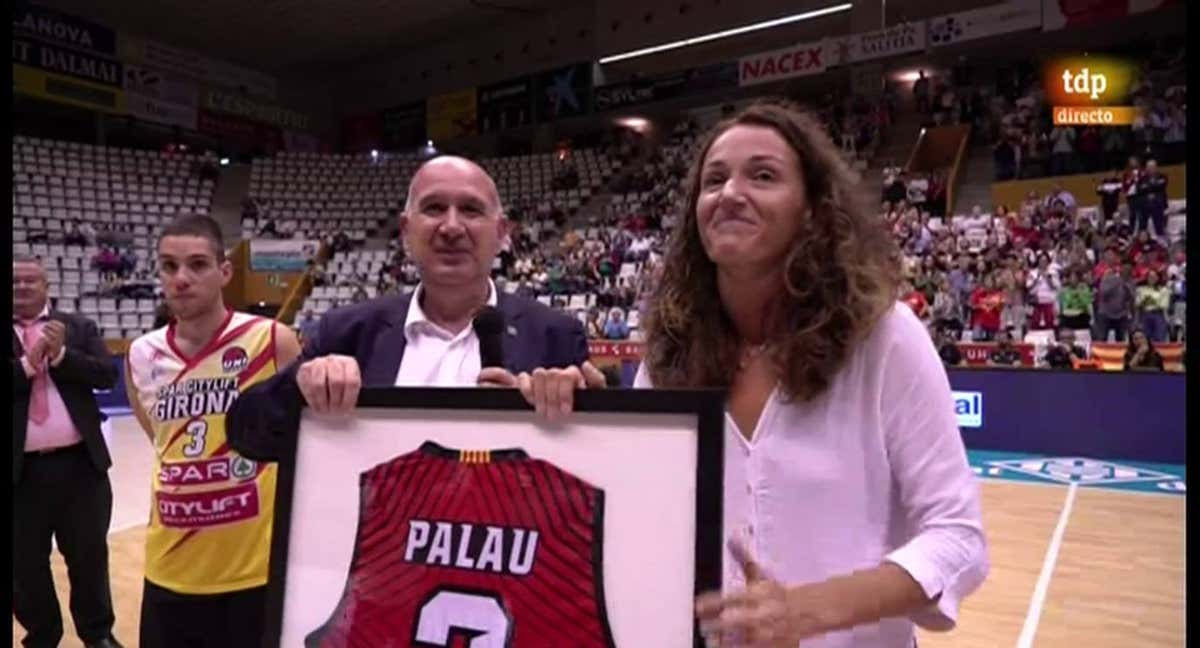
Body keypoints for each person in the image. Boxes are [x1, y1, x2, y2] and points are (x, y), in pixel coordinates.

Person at [634, 103, 987, 646]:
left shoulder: (885, 337)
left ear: (812, 210)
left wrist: (808, 610)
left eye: (763, 175)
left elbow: (959, 541)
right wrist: (569, 421)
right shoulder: (667, 353)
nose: (730, 192)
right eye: (714, 179)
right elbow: (640, 516)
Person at [226, 156, 605, 461]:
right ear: (406, 231)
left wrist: (586, 407)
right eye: (434, 208)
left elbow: (598, 460)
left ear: (502, 232)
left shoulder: (555, 334)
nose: (452, 227)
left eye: (471, 210)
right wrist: (299, 388)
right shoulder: (349, 332)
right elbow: (249, 435)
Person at [124, 215, 303, 648]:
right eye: (169, 266)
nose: (181, 278)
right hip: (170, 564)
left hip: (254, 570)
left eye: (197, 264)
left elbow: (303, 446)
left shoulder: (272, 341)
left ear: (225, 271)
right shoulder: (141, 354)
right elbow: (162, 442)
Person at [12, 256, 123, 648]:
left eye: (30, 281)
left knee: (89, 556)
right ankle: (42, 635)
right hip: (19, 475)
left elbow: (107, 375)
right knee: (23, 564)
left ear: (47, 286)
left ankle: (97, 634)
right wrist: (27, 364)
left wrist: (61, 357)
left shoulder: (77, 327)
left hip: (81, 467)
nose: (22, 287)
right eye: (15, 281)